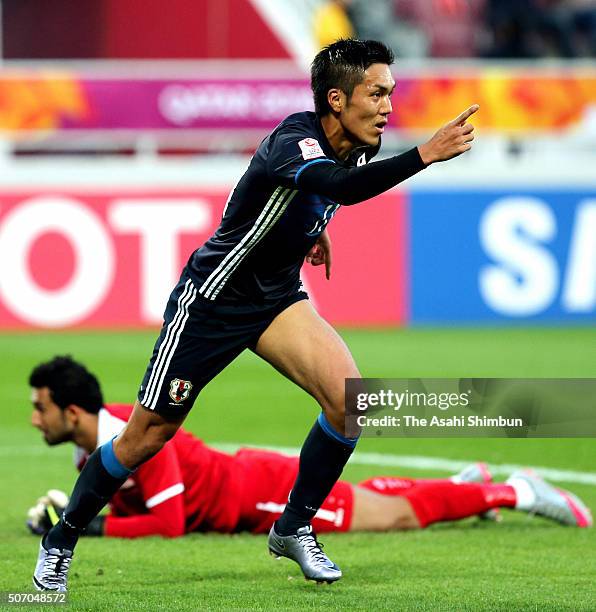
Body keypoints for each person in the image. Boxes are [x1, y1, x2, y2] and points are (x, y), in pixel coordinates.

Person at [34, 38, 481, 591]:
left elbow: (320, 198)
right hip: (213, 301)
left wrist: (315, 232)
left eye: (391, 92)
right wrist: (425, 154)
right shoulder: (294, 142)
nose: (389, 105)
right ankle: (62, 537)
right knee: (147, 436)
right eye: (378, 93)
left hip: (275, 299)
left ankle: (294, 526)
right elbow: (334, 185)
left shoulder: (359, 143)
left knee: (348, 403)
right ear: (337, 99)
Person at [28, 356, 592, 548]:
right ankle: (471, 484)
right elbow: (137, 509)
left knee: (390, 516)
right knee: (367, 498)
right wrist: (66, 506)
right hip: (254, 484)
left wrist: (90, 529)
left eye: (41, 408)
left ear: (71, 413)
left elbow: (170, 524)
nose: (33, 419)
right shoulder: (94, 451)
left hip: (266, 497)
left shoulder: (134, 431)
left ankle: (515, 492)